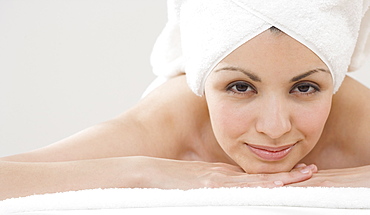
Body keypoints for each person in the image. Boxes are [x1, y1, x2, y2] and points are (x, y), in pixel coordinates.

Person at [1, 0, 369, 200]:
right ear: (203, 80)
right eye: (240, 87)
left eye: (304, 88)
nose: (274, 127)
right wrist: (142, 171)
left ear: (333, 82)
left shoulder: (353, 118)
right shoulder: (164, 126)